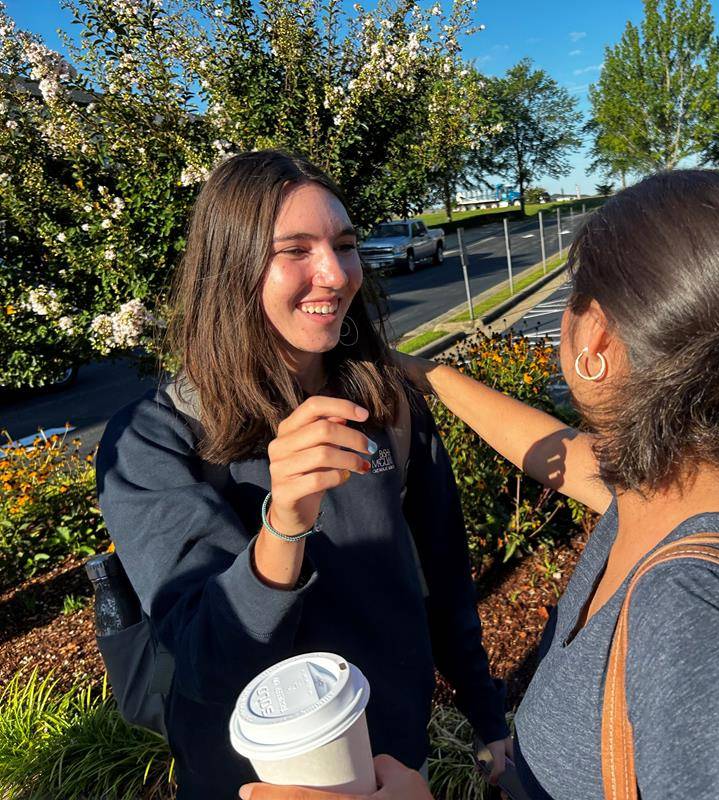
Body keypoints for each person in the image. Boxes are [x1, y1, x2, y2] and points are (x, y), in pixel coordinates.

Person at [241, 169, 719, 800]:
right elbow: (551, 450)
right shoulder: (694, 488)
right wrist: (425, 374)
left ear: (596, 337)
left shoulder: (707, 616)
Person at [95, 150, 509, 799]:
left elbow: (442, 578)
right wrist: (283, 524)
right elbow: (205, 662)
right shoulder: (154, 441)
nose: (335, 275)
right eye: (295, 250)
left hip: (394, 763)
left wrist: (486, 713)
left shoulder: (388, 406)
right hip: (246, 783)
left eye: (344, 246)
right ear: (231, 267)